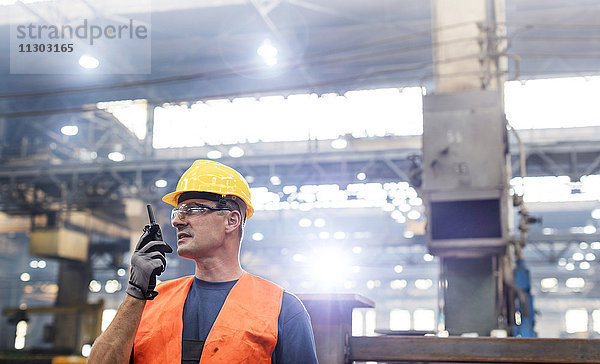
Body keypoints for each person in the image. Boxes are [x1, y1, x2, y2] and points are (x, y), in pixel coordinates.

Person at [88, 160, 319, 364]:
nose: (178, 221)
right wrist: (135, 293)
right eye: (177, 212)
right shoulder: (150, 302)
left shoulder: (282, 309)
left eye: (192, 210)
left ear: (231, 220)